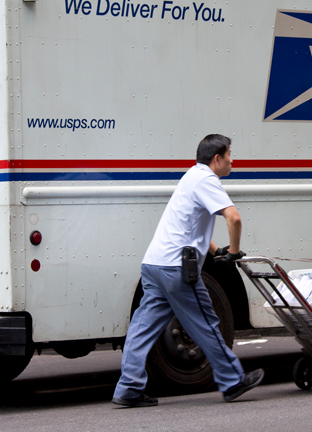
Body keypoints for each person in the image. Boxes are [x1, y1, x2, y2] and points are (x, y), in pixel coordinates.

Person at [112, 134, 264, 407]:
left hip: (154, 264)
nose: (232, 160)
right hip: (175, 268)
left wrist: (216, 250)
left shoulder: (191, 176)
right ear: (217, 158)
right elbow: (234, 217)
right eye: (230, 155)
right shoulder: (208, 180)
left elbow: (191, 227)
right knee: (205, 322)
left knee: (142, 328)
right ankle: (232, 381)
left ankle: (128, 388)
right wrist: (233, 252)